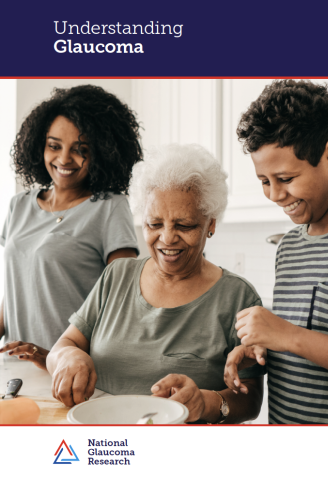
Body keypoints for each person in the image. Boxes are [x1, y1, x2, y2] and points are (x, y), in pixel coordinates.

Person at [47, 144, 265, 424]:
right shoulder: (117, 275)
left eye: (184, 225)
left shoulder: (238, 297)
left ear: (210, 224)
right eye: (154, 224)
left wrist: (206, 402)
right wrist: (68, 358)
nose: (167, 238)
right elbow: (63, 345)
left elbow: (250, 401)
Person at [224, 79, 328, 424]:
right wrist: (263, 349)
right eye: (264, 181)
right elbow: (303, 346)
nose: (275, 194)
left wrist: (286, 336)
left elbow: (297, 338)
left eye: (286, 178)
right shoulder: (288, 248)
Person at [0, 85, 142, 370]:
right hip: (14, 368)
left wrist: (58, 355)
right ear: (39, 145)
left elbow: (123, 304)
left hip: (73, 371)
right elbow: (16, 289)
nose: (64, 159)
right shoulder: (20, 205)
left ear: (103, 152)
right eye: (54, 146)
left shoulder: (110, 207)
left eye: (81, 150)